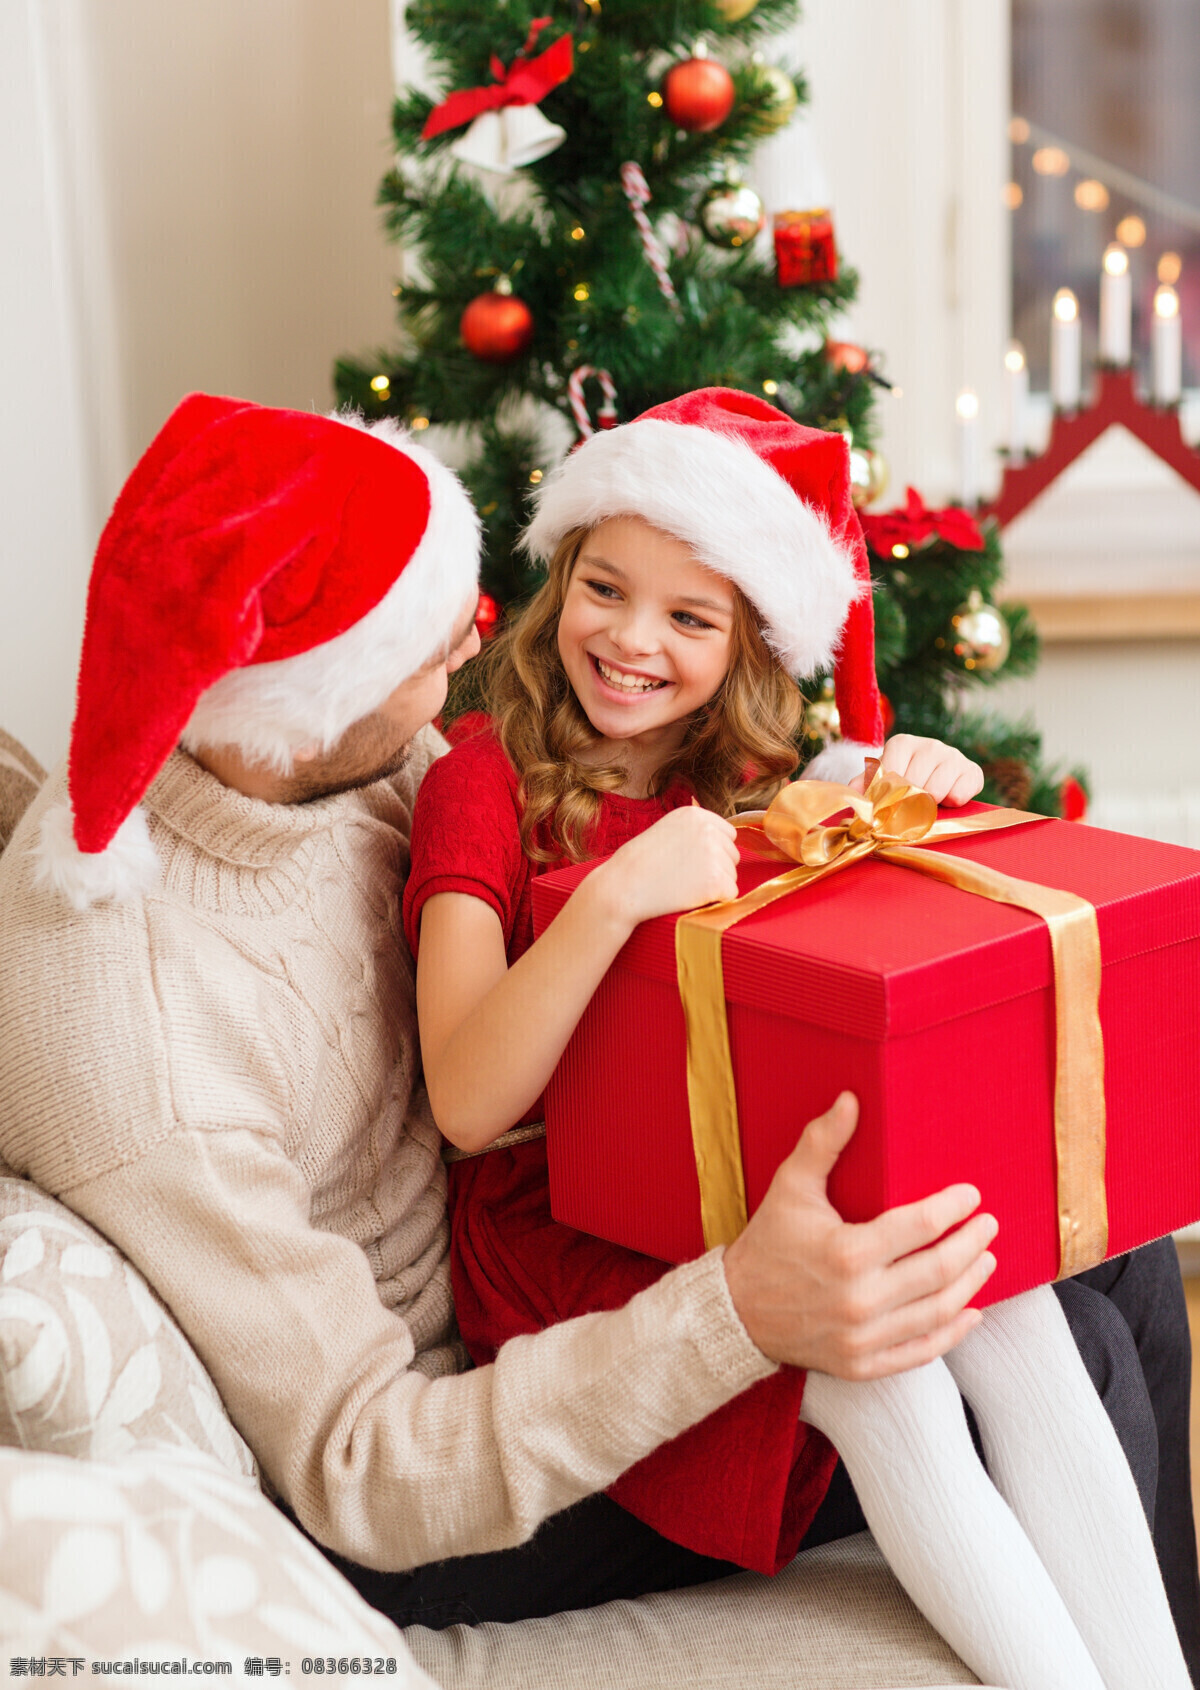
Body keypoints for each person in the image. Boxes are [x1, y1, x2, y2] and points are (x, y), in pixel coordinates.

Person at [0, 394, 1194, 1672]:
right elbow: (370, 1462)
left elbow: (711, 823)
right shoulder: (147, 1040)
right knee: (953, 1335)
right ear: (307, 692)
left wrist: (859, 783)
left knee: (1059, 1269)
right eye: (421, 637)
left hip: (625, 1219)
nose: (473, 640)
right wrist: (745, 1307)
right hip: (462, 1428)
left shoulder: (343, 761)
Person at [407, 388, 1191, 1690]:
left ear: (750, 642)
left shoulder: (748, 779)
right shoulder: (481, 775)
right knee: (881, 1377)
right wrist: (612, 894)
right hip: (564, 1236)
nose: (631, 640)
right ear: (561, 576)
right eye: (606, 587)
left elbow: (839, 985)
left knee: (995, 1308)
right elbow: (467, 1103)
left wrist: (901, 804)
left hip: (729, 1196)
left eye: (690, 618)